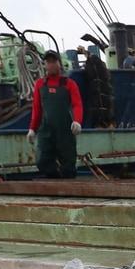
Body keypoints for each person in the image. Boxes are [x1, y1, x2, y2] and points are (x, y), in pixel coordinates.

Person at [28, 51, 84, 179]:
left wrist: (77, 121)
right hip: (46, 129)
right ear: (44, 65)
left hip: (64, 130)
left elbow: (77, 104)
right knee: (42, 161)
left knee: (68, 165)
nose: (51, 65)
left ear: (59, 64)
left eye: (54, 61)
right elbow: (37, 108)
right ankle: (56, 181)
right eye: (48, 62)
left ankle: (69, 188)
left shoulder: (69, 84)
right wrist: (32, 129)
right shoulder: (40, 84)